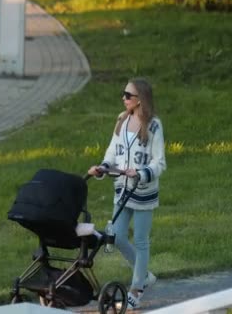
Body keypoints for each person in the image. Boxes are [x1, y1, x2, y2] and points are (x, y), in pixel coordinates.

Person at [87, 77, 166, 310]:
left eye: (128, 95)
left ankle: (137, 288)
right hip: (123, 189)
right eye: (124, 94)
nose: (124, 98)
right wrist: (102, 167)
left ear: (140, 100)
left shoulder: (153, 126)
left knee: (141, 241)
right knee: (117, 236)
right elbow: (113, 151)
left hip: (143, 192)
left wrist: (141, 173)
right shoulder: (122, 120)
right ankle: (145, 276)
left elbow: (160, 162)